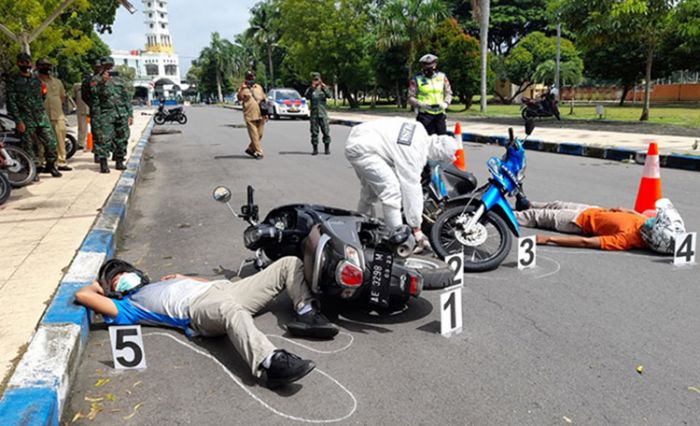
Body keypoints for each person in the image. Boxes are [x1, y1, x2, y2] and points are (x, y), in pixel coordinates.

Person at [74, 256, 339, 388]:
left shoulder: (159, 283)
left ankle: (307, 313)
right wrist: (98, 285)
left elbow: (209, 284)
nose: (124, 277)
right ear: (113, 291)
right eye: (117, 280)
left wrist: (183, 278)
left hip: (225, 289)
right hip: (199, 311)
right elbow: (82, 295)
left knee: (288, 263)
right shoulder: (127, 306)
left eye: (125, 273)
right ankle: (269, 362)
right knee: (229, 309)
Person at [344, 117, 459, 250]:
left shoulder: (420, 129)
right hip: (362, 150)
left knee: (369, 193)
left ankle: (358, 229)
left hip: (361, 138)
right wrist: (416, 228)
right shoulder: (415, 153)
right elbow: (411, 189)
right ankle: (397, 238)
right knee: (391, 191)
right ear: (438, 154)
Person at [514, 198, 685, 253]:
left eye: (654, 224)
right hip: (593, 210)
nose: (651, 221)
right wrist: (623, 210)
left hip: (577, 221)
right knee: (555, 204)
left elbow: (586, 242)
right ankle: (527, 204)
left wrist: (549, 239)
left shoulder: (626, 240)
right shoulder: (644, 223)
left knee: (537, 216)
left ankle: (498, 215)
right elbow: (637, 215)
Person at [4, 52, 62, 178]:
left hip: (40, 116)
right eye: (23, 63)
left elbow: (43, 95)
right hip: (25, 118)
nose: (26, 65)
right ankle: (32, 171)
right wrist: (18, 120)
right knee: (28, 146)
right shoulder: (13, 80)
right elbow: (11, 102)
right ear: (18, 63)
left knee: (51, 142)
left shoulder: (36, 80)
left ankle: (51, 166)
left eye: (28, 62)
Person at [36, 58, 71, 172]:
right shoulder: (34, 81)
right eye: (43, 65)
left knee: (60, 138)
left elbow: (62, 97)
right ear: (37, 67)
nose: (46, 67)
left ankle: (61, 162)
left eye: (48, 65)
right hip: (41, 115)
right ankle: (42, 163)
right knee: (41, 141)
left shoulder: (57, 81)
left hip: (58, 115)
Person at [407, 54, 453, 136]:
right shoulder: (417, 79)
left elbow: (448, 92)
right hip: (425, 114)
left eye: (431, 67)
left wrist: (446, 103)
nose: (429, 70)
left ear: (435, 65)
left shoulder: (442, 77)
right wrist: (420, 104)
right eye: (427, 68)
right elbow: (410, 97)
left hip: (440, 113)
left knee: (442, 139)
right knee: (427, 140)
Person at [101, 57, 133, 170]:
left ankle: (119, 161)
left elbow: (126, 98)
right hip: (106, 114)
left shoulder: (120, 81)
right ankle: (103, 163)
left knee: (122, 138)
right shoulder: (97, 80)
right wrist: (102, 82)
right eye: (106, 65)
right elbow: (92, 97)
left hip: (121, 113)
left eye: (110, 65)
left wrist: (130, 114)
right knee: (105, 139)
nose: (108, 67)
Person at [237, 71, 267, 160]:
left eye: (252, 77)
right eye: (248, 77)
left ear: (254, 77)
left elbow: (264, 100)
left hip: (260, 114)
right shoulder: (242, 88)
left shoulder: (258, 87)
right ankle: (258, 152)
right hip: (249, 115)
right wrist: (242, 89)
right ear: (246, 78)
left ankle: (251, 148)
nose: (250, 78)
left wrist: (266, 113)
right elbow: (239, 98)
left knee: (260, 134)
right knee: (254, 134)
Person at [304, 72, 332, 155]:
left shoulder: (323, 88)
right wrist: (311, 88)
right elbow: (306, 96)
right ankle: (315, 149)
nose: (316, 81)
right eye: (314, 79)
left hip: (323, 114)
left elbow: (329, 95)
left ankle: (327, 148)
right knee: (314, 132)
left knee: (326, 132)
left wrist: (324, 87)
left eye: (317, 79)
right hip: (314, 115)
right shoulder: (310, 89)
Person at [82, 58, 103, 166]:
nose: (98, 68)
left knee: (110, 131)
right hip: (95, 110)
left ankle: (112, 152)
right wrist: (93, 104)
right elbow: (84, 96)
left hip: (107, 110)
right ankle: (98, 154)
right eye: (96, 66)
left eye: (100, 66)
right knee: (96, 132)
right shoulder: (88, 80)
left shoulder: (107, 78)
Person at [72, 81, 89, 151]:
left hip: (88, 108)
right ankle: (81, 143)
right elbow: (74, 96)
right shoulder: (77, 86)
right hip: (82, 109)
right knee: (82, 127)